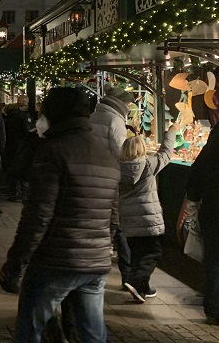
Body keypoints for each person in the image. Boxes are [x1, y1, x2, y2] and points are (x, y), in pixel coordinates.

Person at [1, 87, 120, 343]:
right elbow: (113, 217)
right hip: (95, 262)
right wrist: (101, 248)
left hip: (55, 260)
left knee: (30, 328)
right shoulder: (106, 156)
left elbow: (38, 216)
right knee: (92, 333)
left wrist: (16, 263)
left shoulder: (53, 151)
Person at [184, 102, 219, 326]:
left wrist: (193, 199)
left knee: (216, 261)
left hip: (216, 209)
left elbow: (198, 169)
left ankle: (213, 309)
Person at [118, 123, 179, 303]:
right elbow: (166, 154)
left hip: (128, 220)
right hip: (148, 218)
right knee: (153, 253)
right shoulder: (147, 165)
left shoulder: (117, 169)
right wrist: (171, 133)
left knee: (137, 253)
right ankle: (136, 282)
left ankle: (143, 289)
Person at [89, 85, 135, 288]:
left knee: (100, 220)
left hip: (94, 175)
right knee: (117, 223)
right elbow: (120, 150)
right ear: (122, 103)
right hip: (111, 176)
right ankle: (128, 275)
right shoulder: (115, 120)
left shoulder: (94, 115)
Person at [1, 95, 32, 201]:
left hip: (9, 146)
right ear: (23, 102)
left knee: (11, 171)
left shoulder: (8, 116)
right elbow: (27, 131)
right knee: (22, 171)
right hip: (21, 146)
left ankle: (13, 194)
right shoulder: (23, 116)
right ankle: (23, 194)